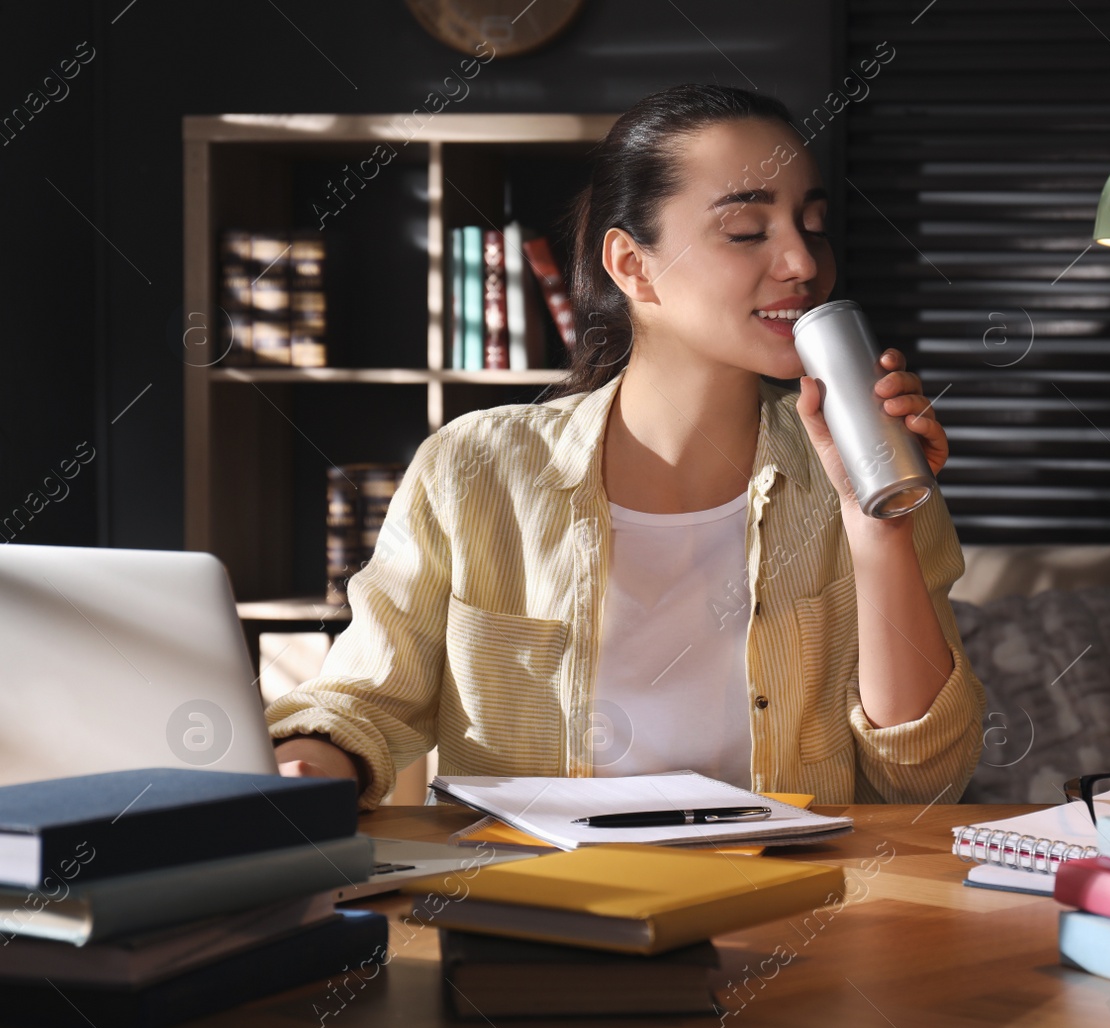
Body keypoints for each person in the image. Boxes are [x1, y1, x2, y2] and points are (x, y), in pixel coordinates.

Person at [269, 83, 985, 811]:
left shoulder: (870, 474)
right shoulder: (476, 469)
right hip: (544, 907)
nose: (802, 261)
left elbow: (924, 779)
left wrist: (878, 530)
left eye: (813, 226)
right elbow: (363, 702)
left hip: (788, 907)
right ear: (632, 264)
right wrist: (306, 762)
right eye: (747, 230)